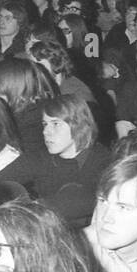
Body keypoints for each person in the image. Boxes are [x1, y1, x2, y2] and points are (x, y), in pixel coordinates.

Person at [25, 92, 111, 227]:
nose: (45, 131)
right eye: (45, 124)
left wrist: (26, 211)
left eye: (55, 124)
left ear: (78, 125)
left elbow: (74, 202)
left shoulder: (103, 161)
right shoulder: (42, 156)